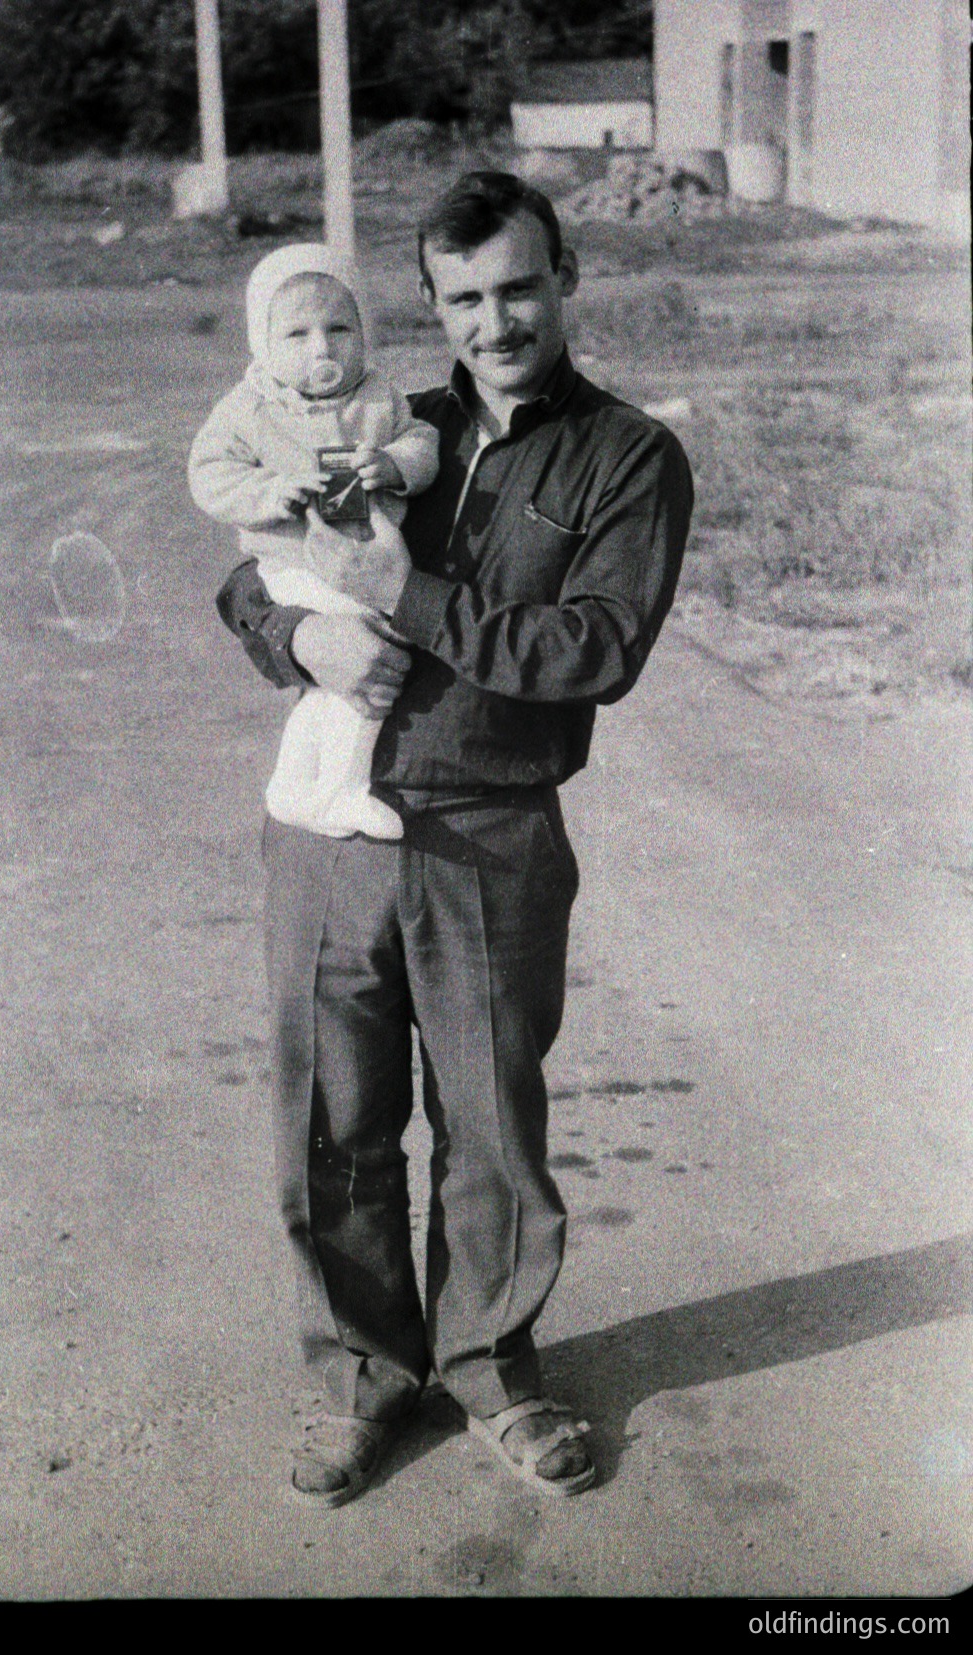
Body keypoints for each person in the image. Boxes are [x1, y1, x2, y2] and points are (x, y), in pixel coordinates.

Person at [215, 172, 694, 1508]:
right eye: (463, 298)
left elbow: (593, 646)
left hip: (490, 836)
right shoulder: (385, 425)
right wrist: (299, 632)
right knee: (333, 1120)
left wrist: (401, 592)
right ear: (431, 307)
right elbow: (245, 575)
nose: (494, 322)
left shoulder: (625, 455)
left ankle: (492, 1366)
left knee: (488, 1123)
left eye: (518, 288)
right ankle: (363, 1377)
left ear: (566, 277)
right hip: (325, 831)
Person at [189, 243, 438, 841]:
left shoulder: (377, 398)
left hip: (359, 559)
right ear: (263, 344)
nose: (322, 349)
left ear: (364, 333)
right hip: (294, 560)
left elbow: (422, 438)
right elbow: (208, 472)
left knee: (339, 679)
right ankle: (342, 789)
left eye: (339, 328)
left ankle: (297, 785)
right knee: (369, 650)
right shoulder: (252, 407)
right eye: (297, 335)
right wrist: (272, 492)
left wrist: (395, 464)